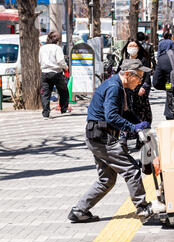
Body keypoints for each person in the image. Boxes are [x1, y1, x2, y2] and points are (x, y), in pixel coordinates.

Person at [69, 59, 153, 223]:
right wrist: (133, 128)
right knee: (131, 170)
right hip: (101, 137)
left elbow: (125, 112)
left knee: (106, 180)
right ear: (128, 75)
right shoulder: (114, 87)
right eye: (139, 77)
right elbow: (112, 116)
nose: (140, 81)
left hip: (98, 136)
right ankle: (143, 208)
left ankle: (79, 211)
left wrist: (138, 124)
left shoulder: (120, 87)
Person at [118, 39, 153, 147]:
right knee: (126, 114)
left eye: (134, 46)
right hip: (127, 93)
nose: (132, 48)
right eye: (130, 46)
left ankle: (140, 138)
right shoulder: (123, 61)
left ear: (138, 47)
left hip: (140, 94)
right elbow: (118, 74)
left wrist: (144, 87)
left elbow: (147, 77)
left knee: (141, 115)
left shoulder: (144, 60)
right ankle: (124, 137)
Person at [39, 31, 69, 119]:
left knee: (45, 93)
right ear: (57, 40)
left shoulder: (42, 48)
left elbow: (40, 60)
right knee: (63, 90)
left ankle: (45, 113)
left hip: (44, 72)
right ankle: (63, 109)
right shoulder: (57, 48)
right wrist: (65, 67)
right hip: (56, 72)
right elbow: (60, 61)